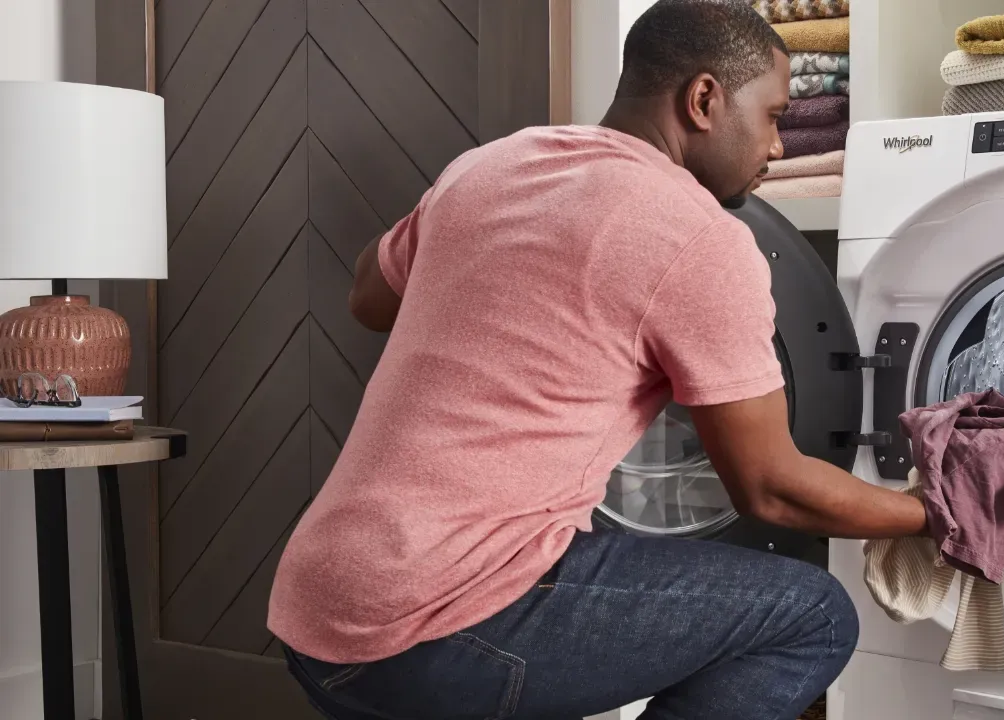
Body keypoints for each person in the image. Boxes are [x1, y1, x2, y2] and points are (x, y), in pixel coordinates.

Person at [267, 1, 928, 718]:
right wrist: (929, 514)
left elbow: (368, 296)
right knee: (813, 615)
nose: (776, 147)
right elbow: (771, 490)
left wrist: (468, 235)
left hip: (317, 607)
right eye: (772, 116)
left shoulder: (492, 166)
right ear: (705, 100)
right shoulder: (699, 234)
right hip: (436, 629)